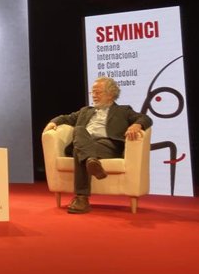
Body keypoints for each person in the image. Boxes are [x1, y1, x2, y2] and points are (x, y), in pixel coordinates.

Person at [44, 76, 152, 214]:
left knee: (80, 150)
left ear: (110, 94)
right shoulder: (85, 111)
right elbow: (66, 118)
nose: (94, 96)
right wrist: (53, 123)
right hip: (84, 142)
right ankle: (90, 161)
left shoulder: (123, 111)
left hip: (107, 145)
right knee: (79, 130)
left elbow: (145, 118)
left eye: (98, 92)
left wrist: (137, 124)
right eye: (92, 92)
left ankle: (81, 198)